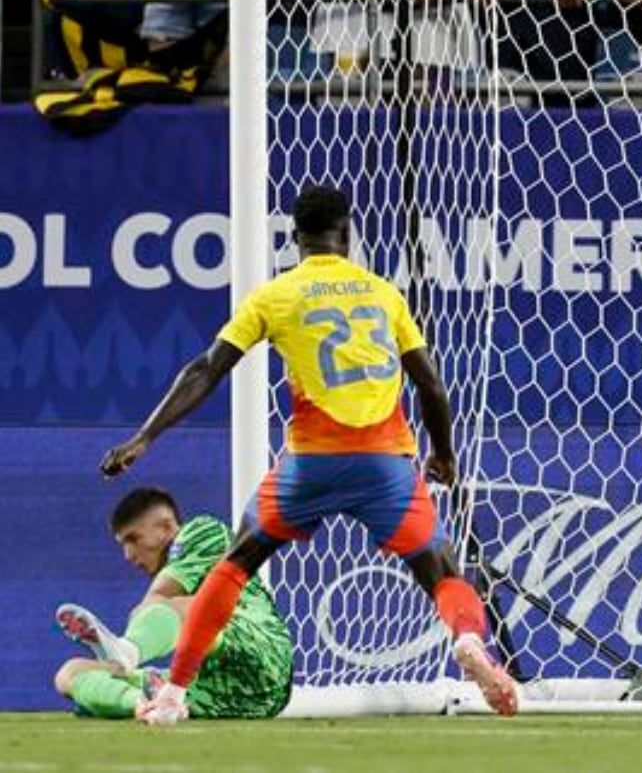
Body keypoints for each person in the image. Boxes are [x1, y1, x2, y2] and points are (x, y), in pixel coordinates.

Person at [100, 184, 517, 725]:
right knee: (440, 568)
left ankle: (174, 692)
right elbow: (431, 386)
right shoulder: (383, 293)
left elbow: (207, 368)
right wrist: (444, 455)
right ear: (346, 234)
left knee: (236, 563)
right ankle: (465, 639)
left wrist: (145, 437)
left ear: (294, 239)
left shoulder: (275, 296)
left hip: (310, 463)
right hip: (384, 462)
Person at [53, 487, 292, 719]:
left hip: (263, 659)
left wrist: (125, 654)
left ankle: (127, 654)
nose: (128, 554)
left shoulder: (202, 531)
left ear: (167, 526)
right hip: (218, 694)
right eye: (123, 544)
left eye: (133, 538)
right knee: (70, 673)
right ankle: (142, 703)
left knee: (192, 608)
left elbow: (154, 604)